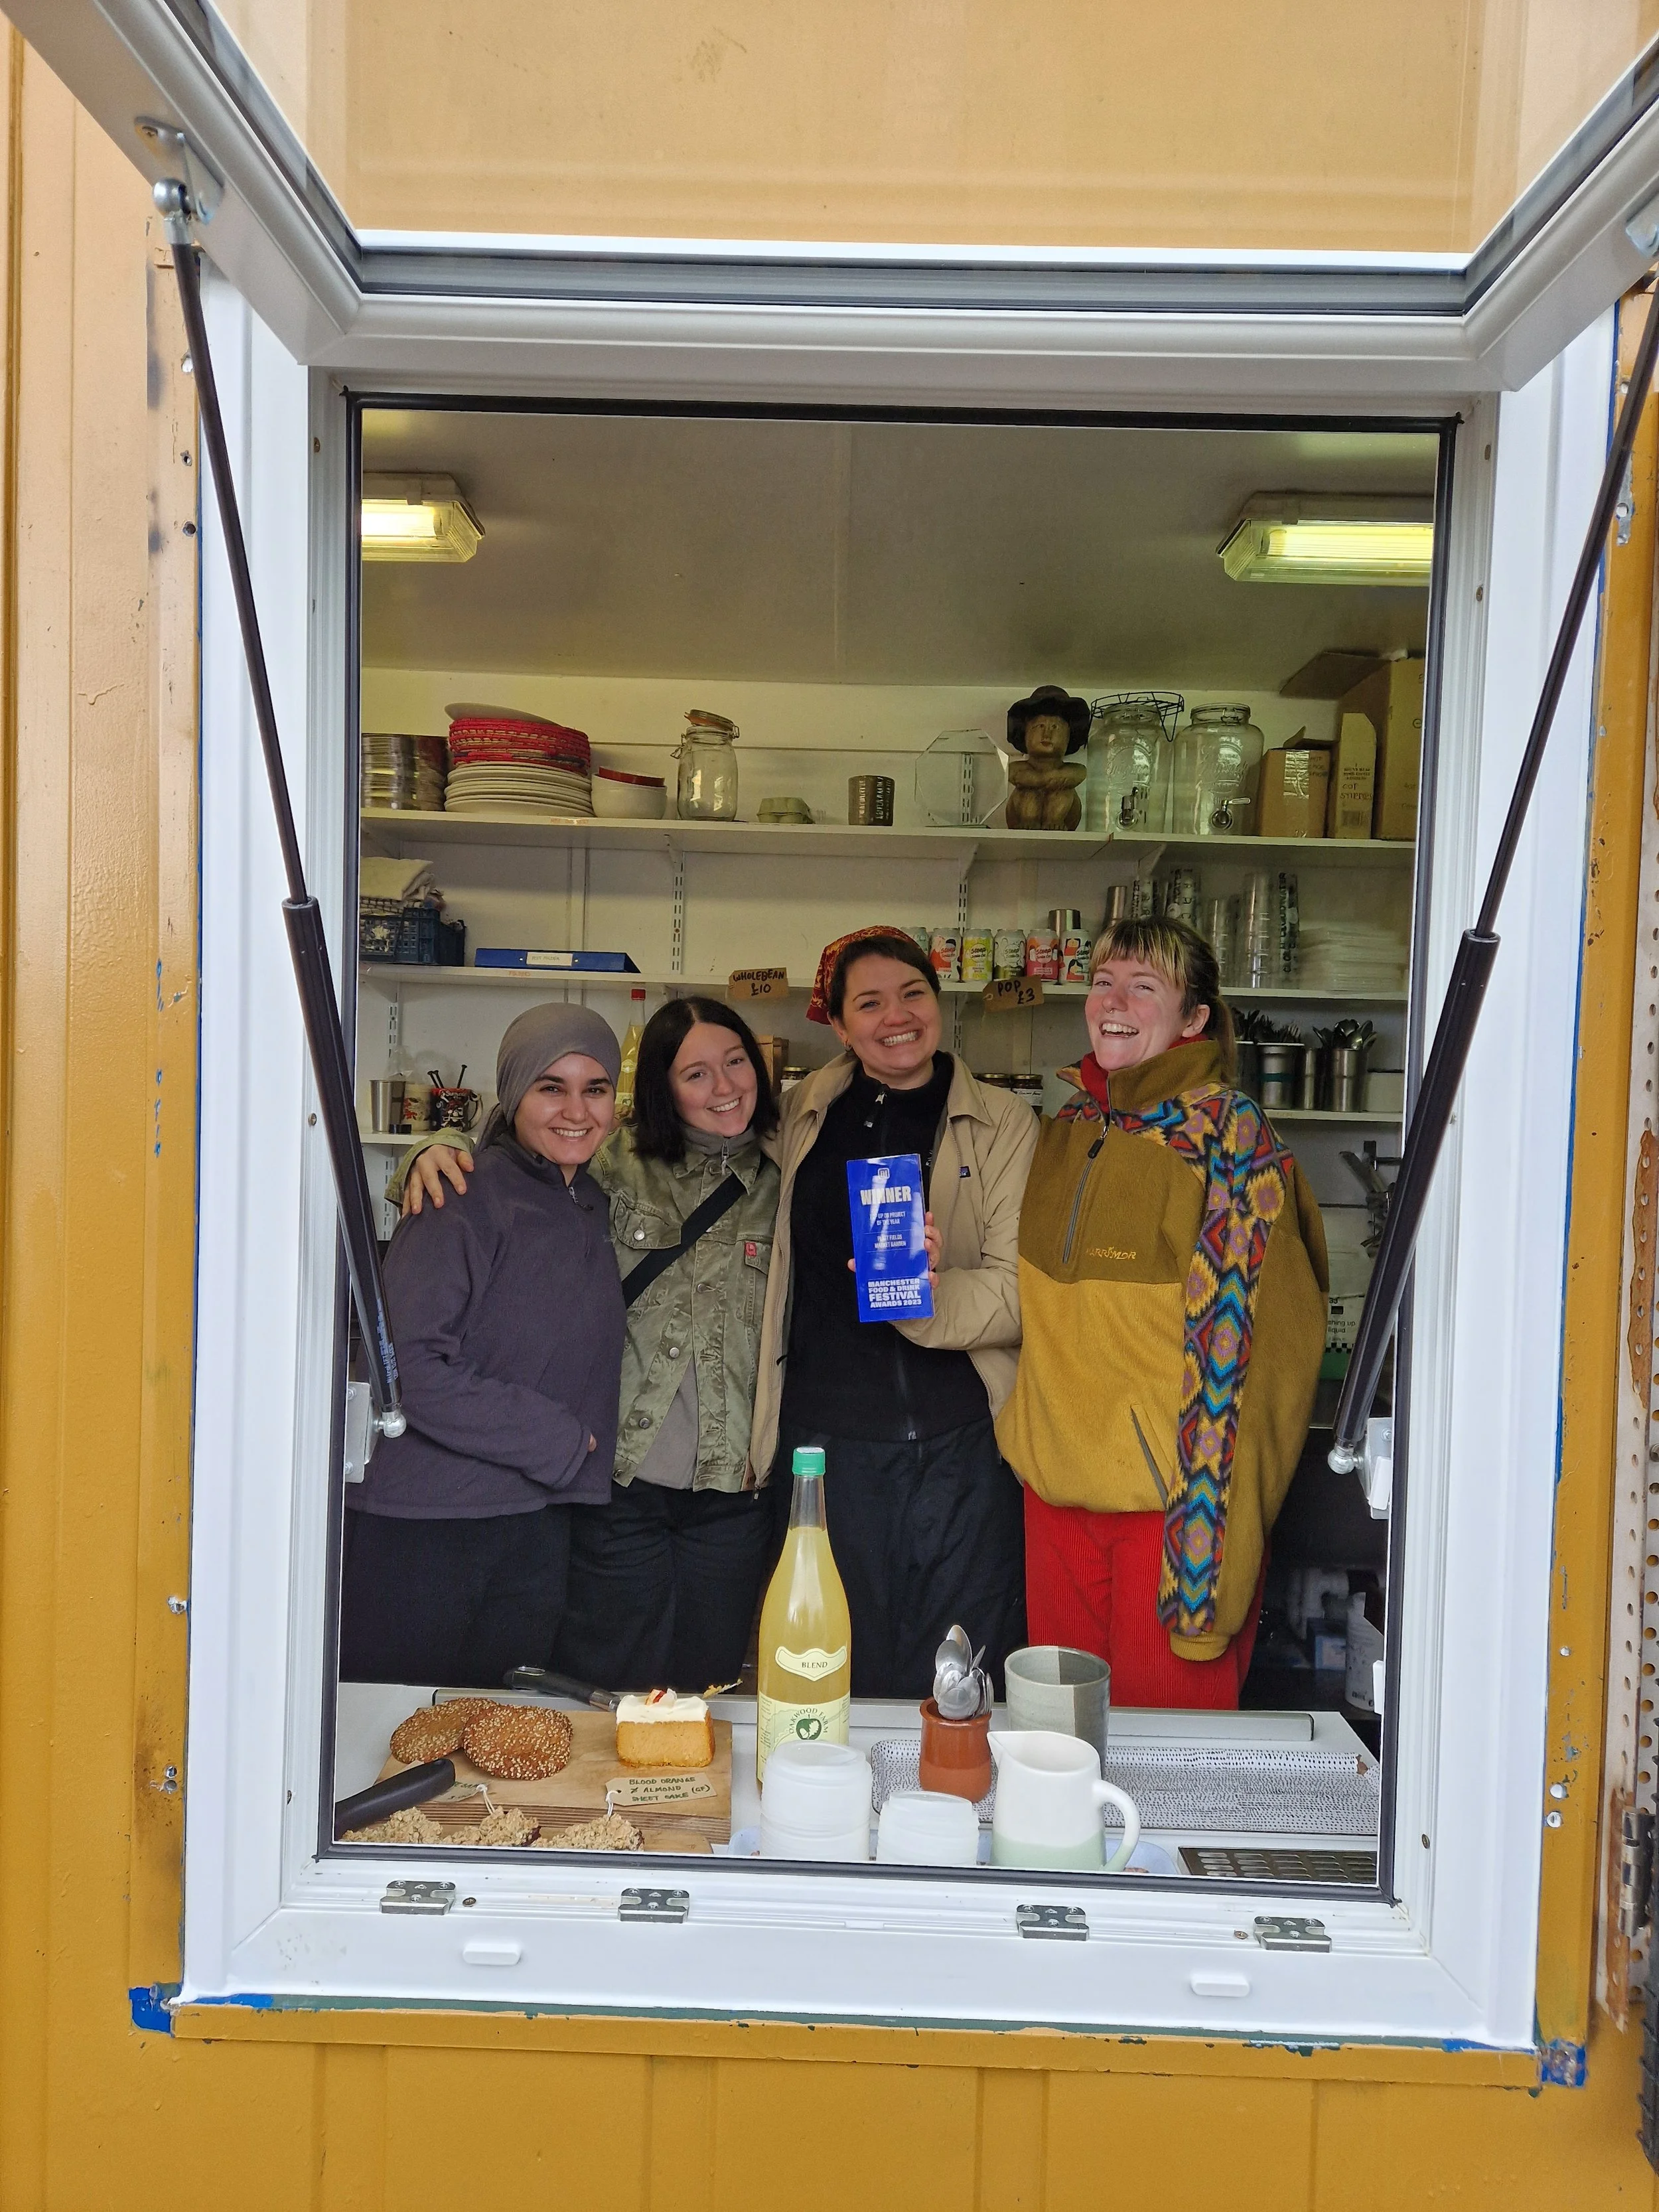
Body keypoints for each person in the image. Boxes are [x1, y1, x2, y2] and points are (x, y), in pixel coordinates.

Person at [996, 916, 1329, 1710]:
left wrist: (1211, 1566)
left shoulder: (1230, 1141)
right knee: (1059, 1757)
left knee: (1168, 1773)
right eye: (1103, 981)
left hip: (1171, 1522)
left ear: (1193, 1020)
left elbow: (1259, 1371)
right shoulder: (1070, 1126)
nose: (1113, 1000)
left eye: (1143, 987)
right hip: (1054, 1502)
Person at [401, 998, 782, 1691]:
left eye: (735, 1064)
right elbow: (517, 1149)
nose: (723, 1087)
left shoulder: (788, 1175)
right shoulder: (615, 1161)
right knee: (606, 1685)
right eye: (695, 1073)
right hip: (617, 1479)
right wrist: (431, 1150)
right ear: (661, 1089)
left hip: (734, 1487)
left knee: (710, 1692)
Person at [749, 927, 1038, 1700]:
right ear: (838, 1027)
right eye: (868, 1003)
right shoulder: (800, 1112)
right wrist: (441, 1144)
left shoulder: (1006, 1122)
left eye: (912, 994)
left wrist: (926, 1289)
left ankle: (948, 1819)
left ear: (937, 1003)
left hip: (961, 1448)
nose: (896, 1016)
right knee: (831, 1669)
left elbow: (1020, 1295)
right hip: (825, 1446)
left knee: (958, 1685)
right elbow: (670, 1142)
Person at [340, 1003, 624, 1688]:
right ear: (513, 1091)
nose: (575, 1110)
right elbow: (405, 1366)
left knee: (496, 1751)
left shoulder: (590, 1201)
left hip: (529, 1522)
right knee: (398, 1742)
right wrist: (557, 1440)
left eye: (596, 1089)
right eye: (550, 1087)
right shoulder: (459, 1193)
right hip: (431, 1528)